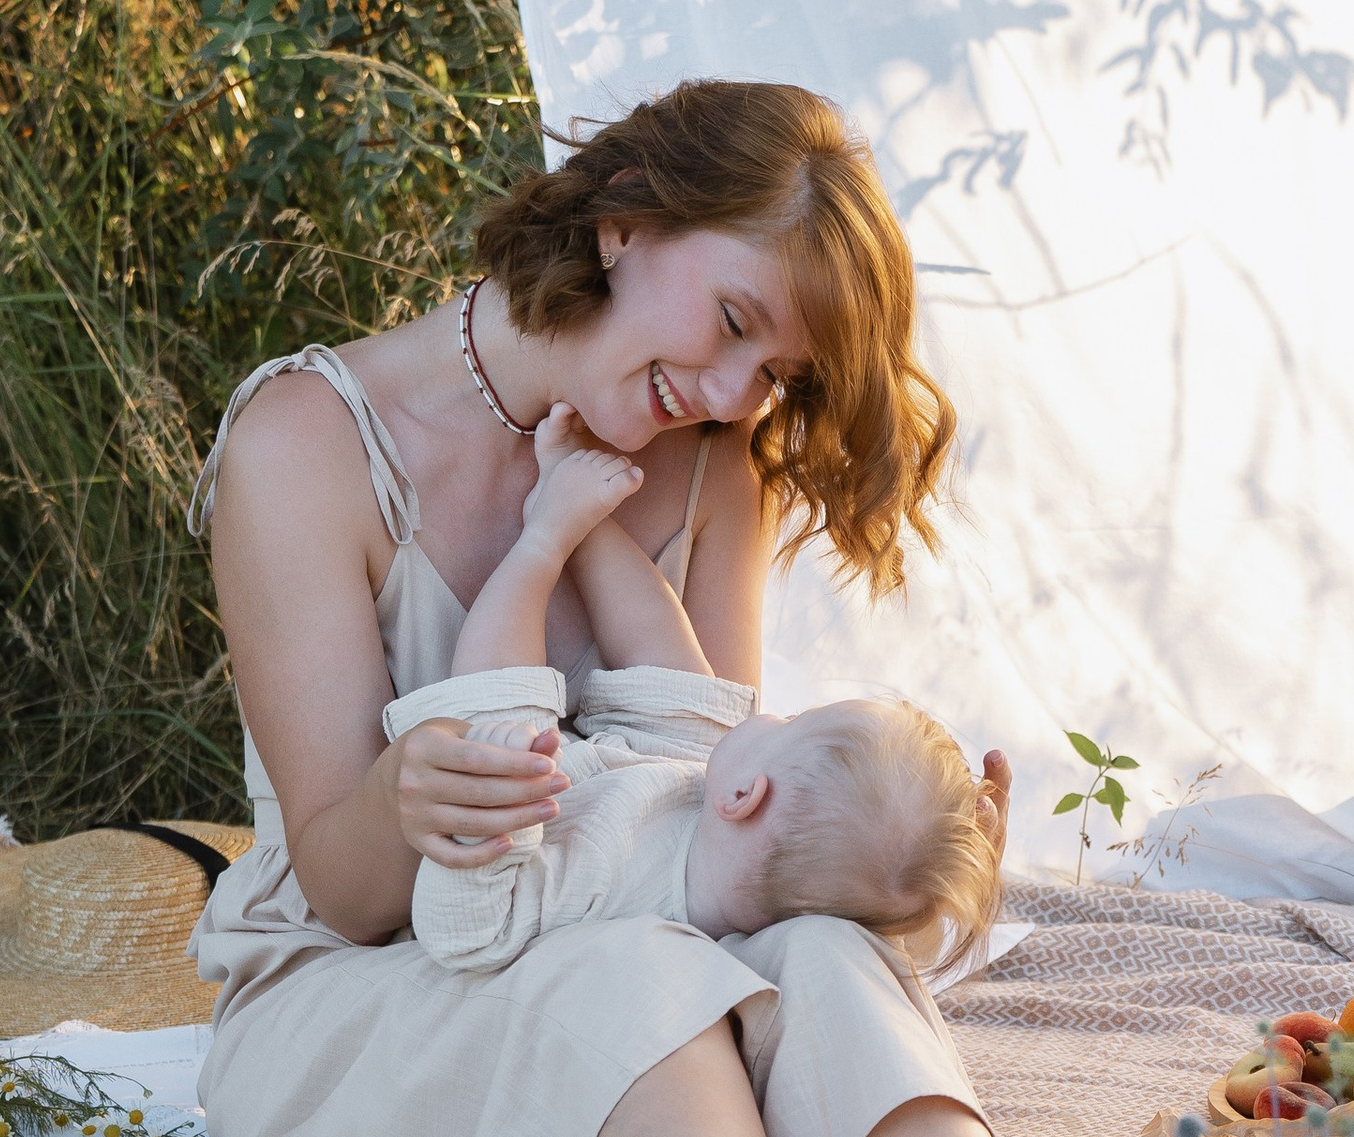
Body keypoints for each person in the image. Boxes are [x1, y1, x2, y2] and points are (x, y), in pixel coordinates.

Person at [145, 76, 1113, 1137]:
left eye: (775, 367)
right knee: (636, 981)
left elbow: (718, 831)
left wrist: (907, 885)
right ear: (625, 225)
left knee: (833, 968)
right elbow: (337, 884)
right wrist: (413, 791)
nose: (733, 392)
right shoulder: (309, 442)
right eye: (732, 319)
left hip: (631, 1017)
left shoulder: (714, 470)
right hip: (366, 1012)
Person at [383, 403, 1001, 977]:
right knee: (675, 685)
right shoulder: (713, 808)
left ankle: (539, 541)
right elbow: (657, 647)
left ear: (745, 794)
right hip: (612, 781)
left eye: (792, 721)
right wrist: (588, 523)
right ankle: (570, 523)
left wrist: (548, 539)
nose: (775, 712)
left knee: (496, 709)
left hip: (513, 839)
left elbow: (464, 935)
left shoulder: (604, 880)